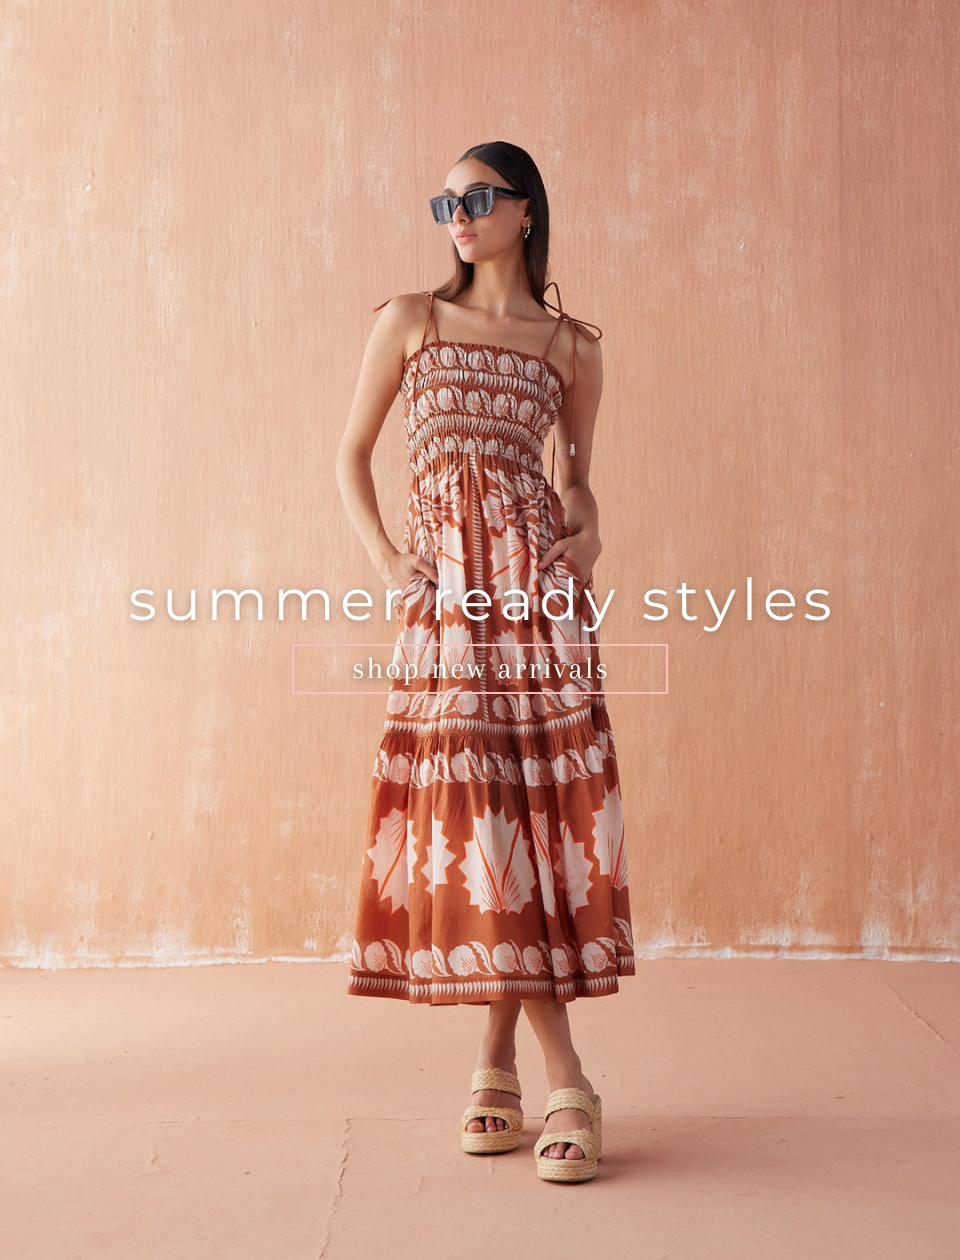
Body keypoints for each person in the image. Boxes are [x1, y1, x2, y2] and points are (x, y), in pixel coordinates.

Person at [335, 141, 634, 1183]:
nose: (456, 216)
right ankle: (567, 1077)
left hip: (538, 603)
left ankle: (496, 1069)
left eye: (476, 198)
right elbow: (350, 453)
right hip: (448, 606)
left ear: (525, 211)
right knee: (485, 819)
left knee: (529, 821)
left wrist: (588, 533)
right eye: (445, 202)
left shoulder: (570, 347)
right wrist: (389, 563)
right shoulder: (409, 320)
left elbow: (577, 477)